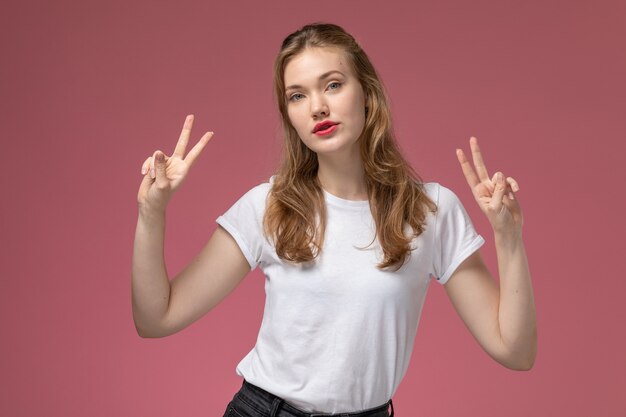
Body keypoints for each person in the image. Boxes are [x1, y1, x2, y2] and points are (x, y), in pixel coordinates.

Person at [132, 22, 537, 417]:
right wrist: (152, 214)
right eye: (297, 96)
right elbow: (156, 318)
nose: (317, 107)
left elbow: (515, 352)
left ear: (366, 93)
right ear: (289, 115)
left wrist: (509, 237)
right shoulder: (269, 206)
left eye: (333, 84)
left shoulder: (430, 210)